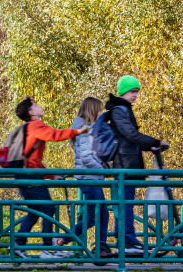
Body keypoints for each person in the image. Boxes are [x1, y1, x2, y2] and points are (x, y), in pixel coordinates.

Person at [13, 97, 87, 259]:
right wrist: (77, 131)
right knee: (48, 208)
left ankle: (18, 244)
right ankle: (47, 249)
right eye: (36, 105)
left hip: (24, 174)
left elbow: (34, 161)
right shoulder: (36, 125)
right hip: (30, 176)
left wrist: (51, 175)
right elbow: (54, 135)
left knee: (34, 211)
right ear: (31, 112)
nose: (40, 106)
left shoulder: (28, 128)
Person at [106, 75, 168, 253]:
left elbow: (131, 139)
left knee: (125, 204)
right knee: (125, 204)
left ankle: (125, 241)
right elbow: (131, 135)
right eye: (132, 91)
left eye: (136, 92)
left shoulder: (124, 109)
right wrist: (155, 142)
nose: (135, 95)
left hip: (127, 164)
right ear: (124, 91)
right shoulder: (119, 111)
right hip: (124, 166)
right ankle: (127, 242)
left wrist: (152, 146)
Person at [59, 97, 110, 252]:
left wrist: (102, 163)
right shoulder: (86, 130)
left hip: (91, 178)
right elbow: (86, 158)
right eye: (99, 110)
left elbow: (90, 155)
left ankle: (101, 249)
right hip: (89, 179)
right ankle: (62, 240)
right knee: (93, 217)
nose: (101, 113)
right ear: (92, 111)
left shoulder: (85, 129)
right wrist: (102, 169)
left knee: (103, 215)